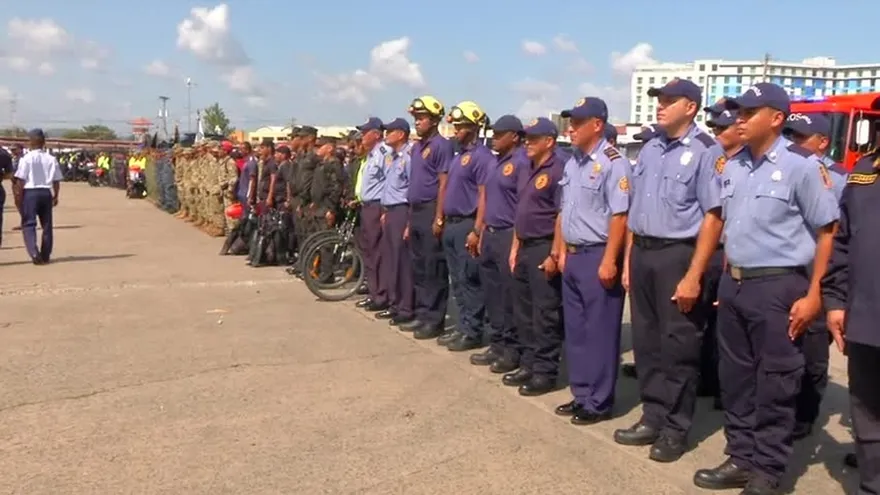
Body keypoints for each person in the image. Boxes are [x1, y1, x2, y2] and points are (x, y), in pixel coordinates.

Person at [693, 83, 839, 494]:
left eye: (748, 113)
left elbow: (827, 232)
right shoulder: (733, 165)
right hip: (736, 283)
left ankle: (768, 470)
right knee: (735, 377)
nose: (739, 119)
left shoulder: (802, 166)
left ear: (776, 118)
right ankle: (740, 456)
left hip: (780, 285)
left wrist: (814, 295)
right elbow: (724, 222)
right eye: (738, 112)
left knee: (776, 380)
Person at [615, 78, 725, 464]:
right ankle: (653, 416)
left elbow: (714, 217)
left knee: (678, 346)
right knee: (647, 342)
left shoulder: (706, 151)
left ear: (690, 107)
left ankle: (676, 428)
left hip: (679, 255)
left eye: (668, 100)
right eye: (659, 100)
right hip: (643, 253)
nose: (660, 106)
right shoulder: (650, 148)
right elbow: (635, 210)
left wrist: (694, 275)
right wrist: (628, 260)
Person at [554, 97, 629, 424]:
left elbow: (620, 215)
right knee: (577, 332)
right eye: (570, 123)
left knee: (600, 332)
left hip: (598, 253)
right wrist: (560, 251)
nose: (570, 129)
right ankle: (582, 393)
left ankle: (599, 401)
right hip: (573, 255)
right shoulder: (573, 163)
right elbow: (564, 211)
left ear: (597, 125)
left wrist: (610, 259)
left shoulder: (613, 162)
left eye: (577, 123)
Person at [782, 112, 848, 441]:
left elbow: (840, 232)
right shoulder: (784, 167)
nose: (793, 142)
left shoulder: (840, 178)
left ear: (822, 142)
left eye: (801, 137)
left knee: (813, 346)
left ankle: (805, 413)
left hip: (819, 270)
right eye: (790, 136)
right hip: (786, 267)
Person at [822, 149, 880, 494]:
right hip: (867, 316)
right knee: (868, 416)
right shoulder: (865, 169)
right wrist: (835, 302)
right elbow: (843, 243)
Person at [505, 117, 565, 397]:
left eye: (533, 139)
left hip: (544, 245)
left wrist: (555, 252)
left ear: (549, 142)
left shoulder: (558, 168)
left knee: (544, 313)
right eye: (526, 138)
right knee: (524, 310)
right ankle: (528, 363)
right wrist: (515, 247)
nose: (527, 143)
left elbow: (561, 214)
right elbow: (521, 211)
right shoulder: (526, 167)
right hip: (524, 245)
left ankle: (545, 371)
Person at [469, 115, 529, 373]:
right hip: (490, 233)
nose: (494, 138)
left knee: (509, 296)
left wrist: (516, 241)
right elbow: (485, 197)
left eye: (499, 134)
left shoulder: (521, 163)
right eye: (493, 133)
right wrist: (480, 229)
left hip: (508, 234)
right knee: (492, 294)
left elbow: (523, 205)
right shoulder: (495, 162)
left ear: (514, 136)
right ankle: (497, 343)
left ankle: (512, 350)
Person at [700, 101, 743, 411]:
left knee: (727, 329)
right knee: (705, 322)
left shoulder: (748, 164)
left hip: (732, 254)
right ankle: (708, 378)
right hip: (710, 250)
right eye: (714, 126)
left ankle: (725, 387)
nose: (716, 132)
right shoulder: (714, 158)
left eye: (722, 127)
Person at [440, 101, 493, 351]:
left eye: (461, 127)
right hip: (452, 224)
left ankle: (473, 331)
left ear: (473, 127)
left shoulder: (482, 158)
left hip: (467, 224)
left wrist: (477, 230)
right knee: (458, 281)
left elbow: (484, 196)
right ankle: (463, 326)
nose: (456, 131)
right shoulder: (459, 155)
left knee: (469, 280)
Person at [405, 96, 454, 340]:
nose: (417, 122)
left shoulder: (441, 146)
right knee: (419, 267)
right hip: (415, 210)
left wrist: (439, 217)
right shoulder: (417, 147)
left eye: (422, 118)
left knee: (433, 267)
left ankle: (434, 320)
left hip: (431, 209)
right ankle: (423, 313)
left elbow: (443, 183)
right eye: (415, 118)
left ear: (434, 121)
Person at [379, 118, 416, 327]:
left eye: (390, 131)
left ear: (401, 134)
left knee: (403, 261)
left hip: (402, 210)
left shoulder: (408, 157)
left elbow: (411, 189)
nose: (386, 135)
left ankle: (406, 307)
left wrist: (409, 221)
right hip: (391, 211)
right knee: (391, 259)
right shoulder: (391, 157)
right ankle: (395, 303)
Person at [353, 118, 391, 314]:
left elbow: (389, 181)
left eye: (365, 132)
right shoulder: (370, 155)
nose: (362, 136)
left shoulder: (385, 153)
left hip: (377, 207)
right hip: (366, 207)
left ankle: (382, 295)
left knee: (378, 253)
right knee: (368, 252)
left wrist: (385, 210)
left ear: (376, 134)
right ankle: (374, 292)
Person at [12, 128, 62, 264]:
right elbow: (56, 180)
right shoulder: (51, 159)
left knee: (29, 224)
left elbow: (21, 180)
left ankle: (34, 253)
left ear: (30, 142)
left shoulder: (26, 159)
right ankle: (45, 255)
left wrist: (18, 197)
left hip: (30, 193)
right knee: (47, 225)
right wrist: (56, 195)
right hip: (46, 192)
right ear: (43, 142)